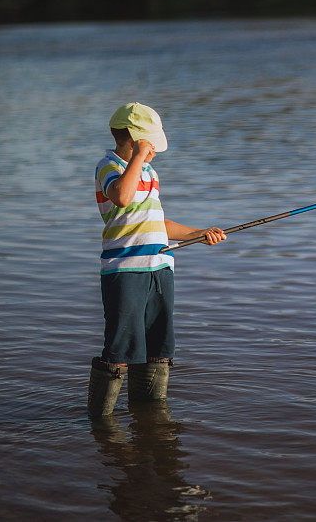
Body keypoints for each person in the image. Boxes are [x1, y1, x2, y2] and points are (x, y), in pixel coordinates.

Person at [88, 102, 226, 417]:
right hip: (125, 272)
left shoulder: (149, 172)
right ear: (133, 138)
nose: (154, 152)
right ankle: (100, 420)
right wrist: (137, 156)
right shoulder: (108, 166)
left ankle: (150, 414)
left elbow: (157, 223)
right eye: (150, 144)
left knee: (160, 345)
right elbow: (122, 197)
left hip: (160, 269)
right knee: (120, 347)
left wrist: (198, 233)